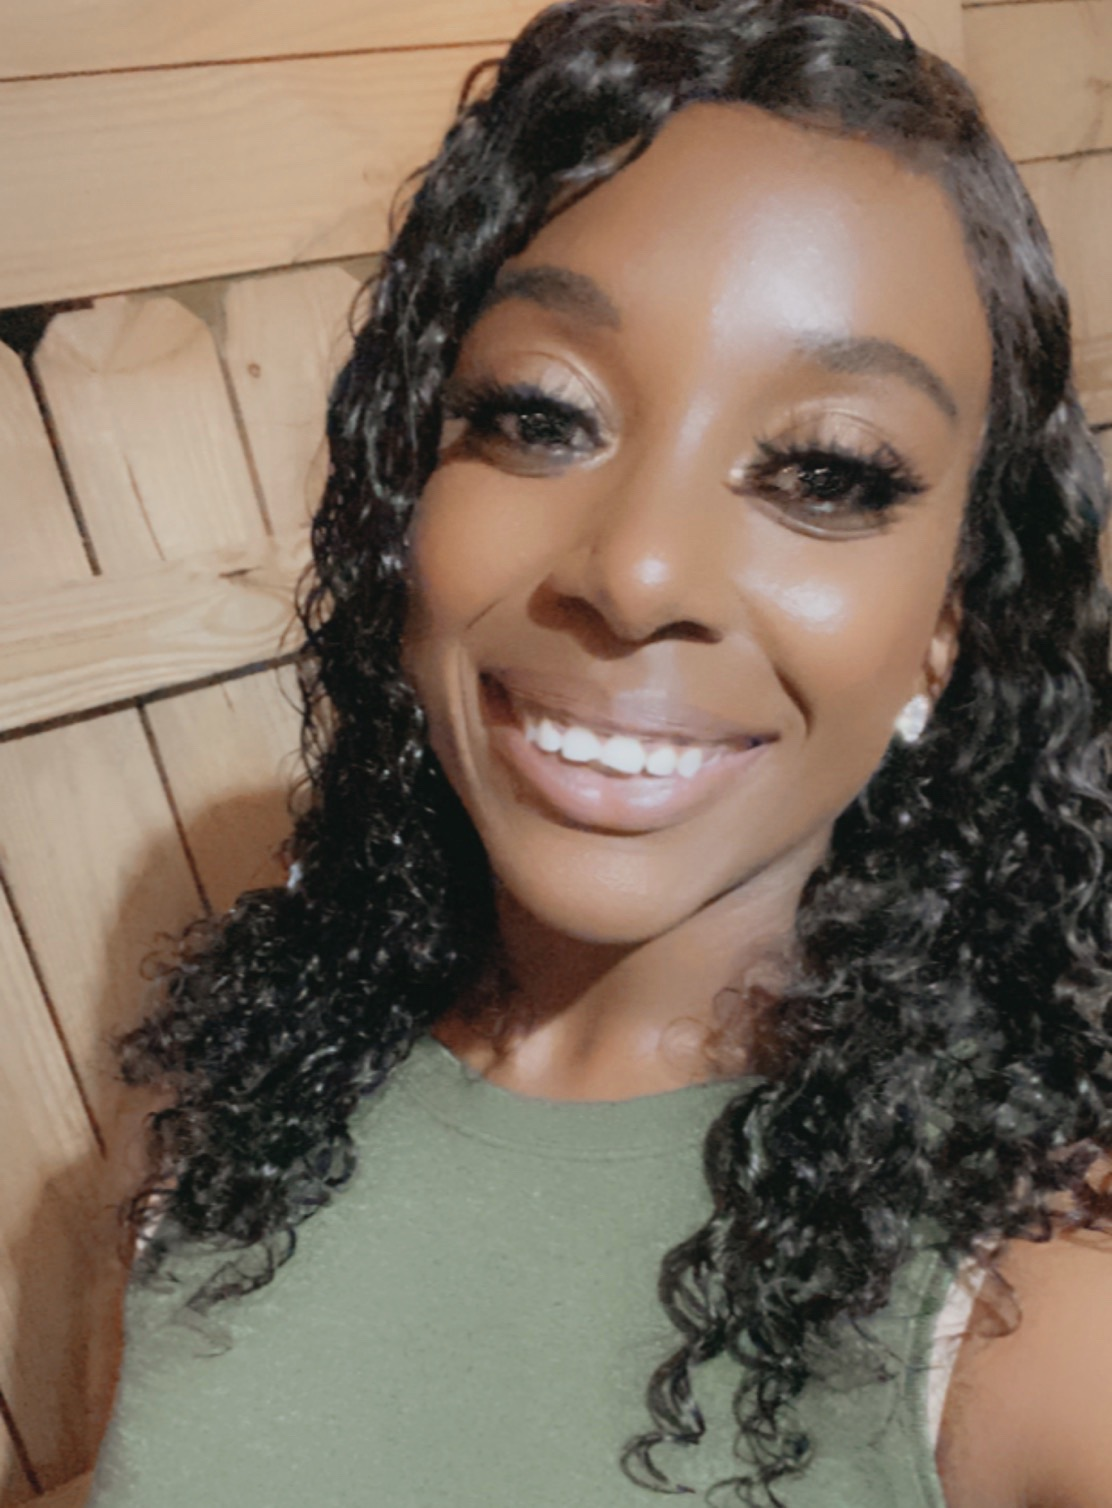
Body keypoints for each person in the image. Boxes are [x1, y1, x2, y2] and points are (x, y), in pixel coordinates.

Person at [85, 0, 1112, 1503]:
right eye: (540, 416)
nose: (636, 574)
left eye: (827, 472)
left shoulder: (1041, 1311)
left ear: (947, 625)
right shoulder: (231, 1134)